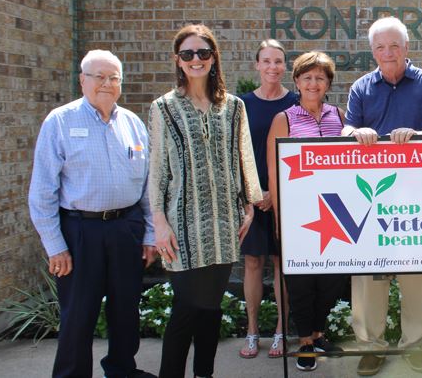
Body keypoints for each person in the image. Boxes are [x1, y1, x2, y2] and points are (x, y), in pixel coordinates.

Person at [28, 49, 157, 378]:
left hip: (126, 227)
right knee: (78, 313)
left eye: (114, 78)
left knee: (126, 308)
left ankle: (122, 369)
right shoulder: (60, 121)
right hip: (80, 231)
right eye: (99, 76)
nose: (106, 83)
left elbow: (147, 187)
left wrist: (150, 235)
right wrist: (55, 246)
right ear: (82, 80)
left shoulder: (133, 124)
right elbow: (42, 192)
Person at [148, 25, 260, 378]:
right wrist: (158, 222)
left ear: (214, 59)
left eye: (203, 53)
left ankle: (204, 374)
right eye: (188, 54)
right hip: (181, 225)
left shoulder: (234, 107)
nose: (196, 59)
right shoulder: (164, 108)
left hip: (225, 223)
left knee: (211, 307)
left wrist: (249, 205)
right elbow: (157, 169)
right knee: (186, 308)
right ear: (178, 60)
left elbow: (244, 157)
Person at [342, 17, 422, 376]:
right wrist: (357, 133)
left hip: (415, 196)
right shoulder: (361, 87)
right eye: (381, 47)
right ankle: (371, 346)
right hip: (370, 199)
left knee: (415, 275)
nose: (388, 53)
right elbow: (346, 128)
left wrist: (416, 135)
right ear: (373, 51)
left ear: (406, 47)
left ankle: (414, 345)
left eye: (394, 46)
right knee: (370, 275)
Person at [266, 50, 348, 372]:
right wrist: (279, 219)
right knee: (300, 282)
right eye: (307, 77)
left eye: (320, 78)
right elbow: (274, 172)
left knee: (331, 280)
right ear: (297, 82)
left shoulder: (338, 116)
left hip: (335, 213)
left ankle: (318, 333)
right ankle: (304, 342)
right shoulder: (284, 119)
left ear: (328, 83)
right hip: (298, 214)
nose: (314, 83)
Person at [238, 39, 296, 360]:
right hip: (252, 197)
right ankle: (252, 331)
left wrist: (277, 191)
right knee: (252, 262)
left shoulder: (295, 102)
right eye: (267, 61)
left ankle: (280, 332)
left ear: (285, 66)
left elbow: (299, 153)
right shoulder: (242, 104)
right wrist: (253, 193)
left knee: (280, 263)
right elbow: (237, 152)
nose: (273, 67)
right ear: (257, 65)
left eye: (278, 61)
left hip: (285, 196)